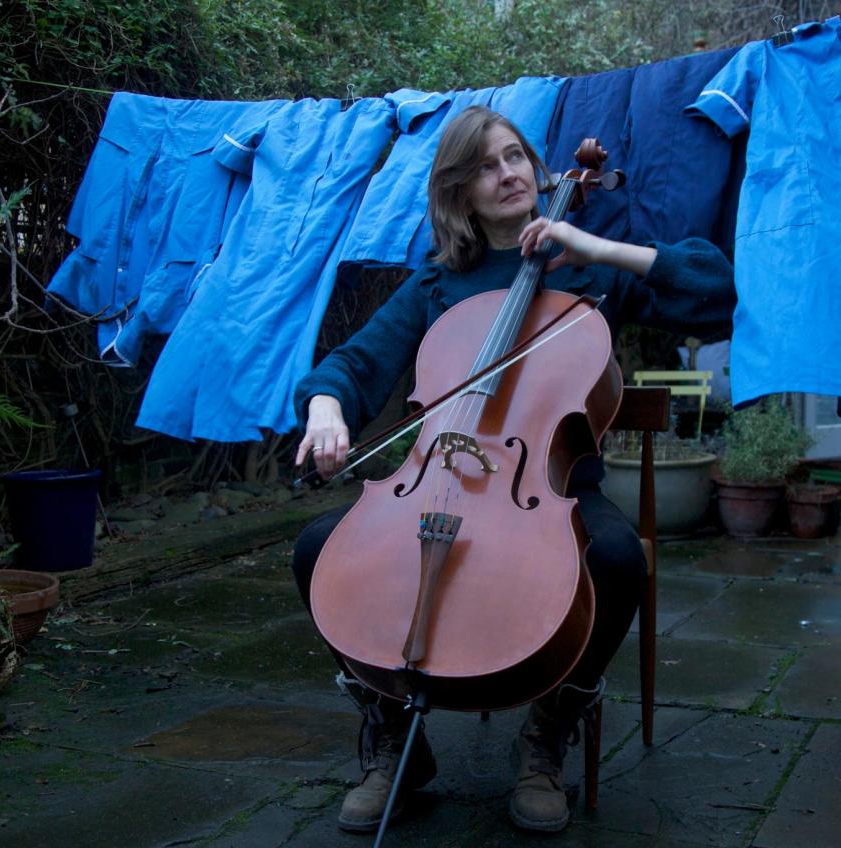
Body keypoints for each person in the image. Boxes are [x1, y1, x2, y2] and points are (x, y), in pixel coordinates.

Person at [290, 105, 735, 834]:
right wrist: (326, 409)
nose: (507, 174)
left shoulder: (589, 273)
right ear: (459, 194)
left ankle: (548, 734)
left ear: (537, 168)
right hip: (433, 481)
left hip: (550, 492)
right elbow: (354, 363)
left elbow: (716, 292)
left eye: (516, 157)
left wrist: (592, 244)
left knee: (618, 557)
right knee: (318, 550)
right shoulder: (438, 287)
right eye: (485, 167)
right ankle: (394, 737)